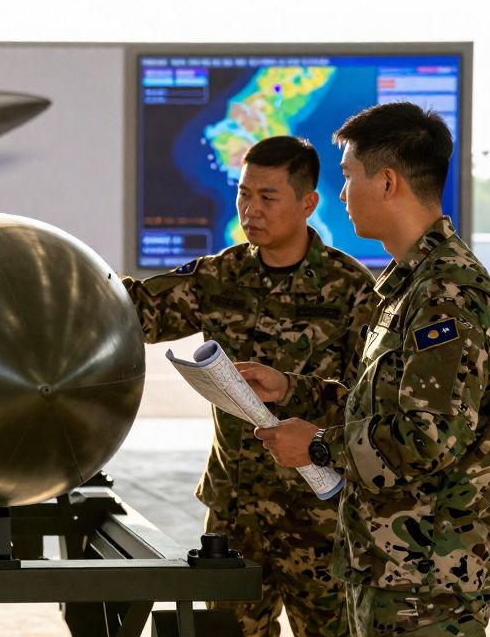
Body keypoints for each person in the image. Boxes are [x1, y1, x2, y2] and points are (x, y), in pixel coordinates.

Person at [245, 103, 490, 636]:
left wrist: (318, 445)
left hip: (428, 585)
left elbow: (428, 438)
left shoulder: (449, 295)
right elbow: (379, 404)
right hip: (386, 569)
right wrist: (292, 390)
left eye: (348, 177)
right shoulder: (408, 284)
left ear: (387, 182)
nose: (343, 195)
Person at [122, 136, 376, 636]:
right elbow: (130, 314)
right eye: (243, 194)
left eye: (267, 197)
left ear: (307, 203)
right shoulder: (219, 276)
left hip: (319, 517)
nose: (250, 209)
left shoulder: (350, 289)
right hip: (236, 515)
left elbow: (364, 402)